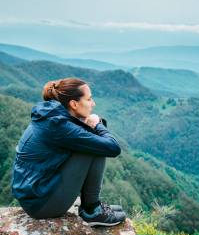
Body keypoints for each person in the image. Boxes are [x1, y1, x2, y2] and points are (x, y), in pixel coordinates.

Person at [11, 78, 126, 226]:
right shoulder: (59, 126)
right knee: (94, 145)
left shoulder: (51, 116)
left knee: (90, 141)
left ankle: (91, 206)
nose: (93, 104)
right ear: (73, 104)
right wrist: (97, 124)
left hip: (34, 194)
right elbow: (112, 147)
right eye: (89, 99)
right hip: (41, 203)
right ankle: (92, 211)